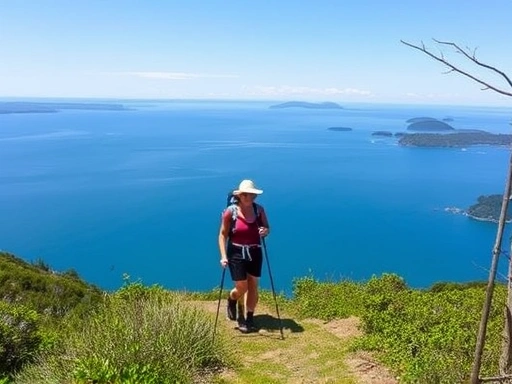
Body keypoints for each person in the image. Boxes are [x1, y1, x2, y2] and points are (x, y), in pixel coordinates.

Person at [218, 179, 270, 333]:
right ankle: (232, 299)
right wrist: (223, 256)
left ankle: (248, 318)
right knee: (242, 286)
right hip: (236, 253)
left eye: (252, 195)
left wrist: (264, 231)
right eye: (246, 194)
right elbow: (222, 235)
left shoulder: (259, 210)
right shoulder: (230, 212)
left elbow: (267, 227)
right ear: (240, 195)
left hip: (254, 251)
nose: (249, 197)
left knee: (253, 284)